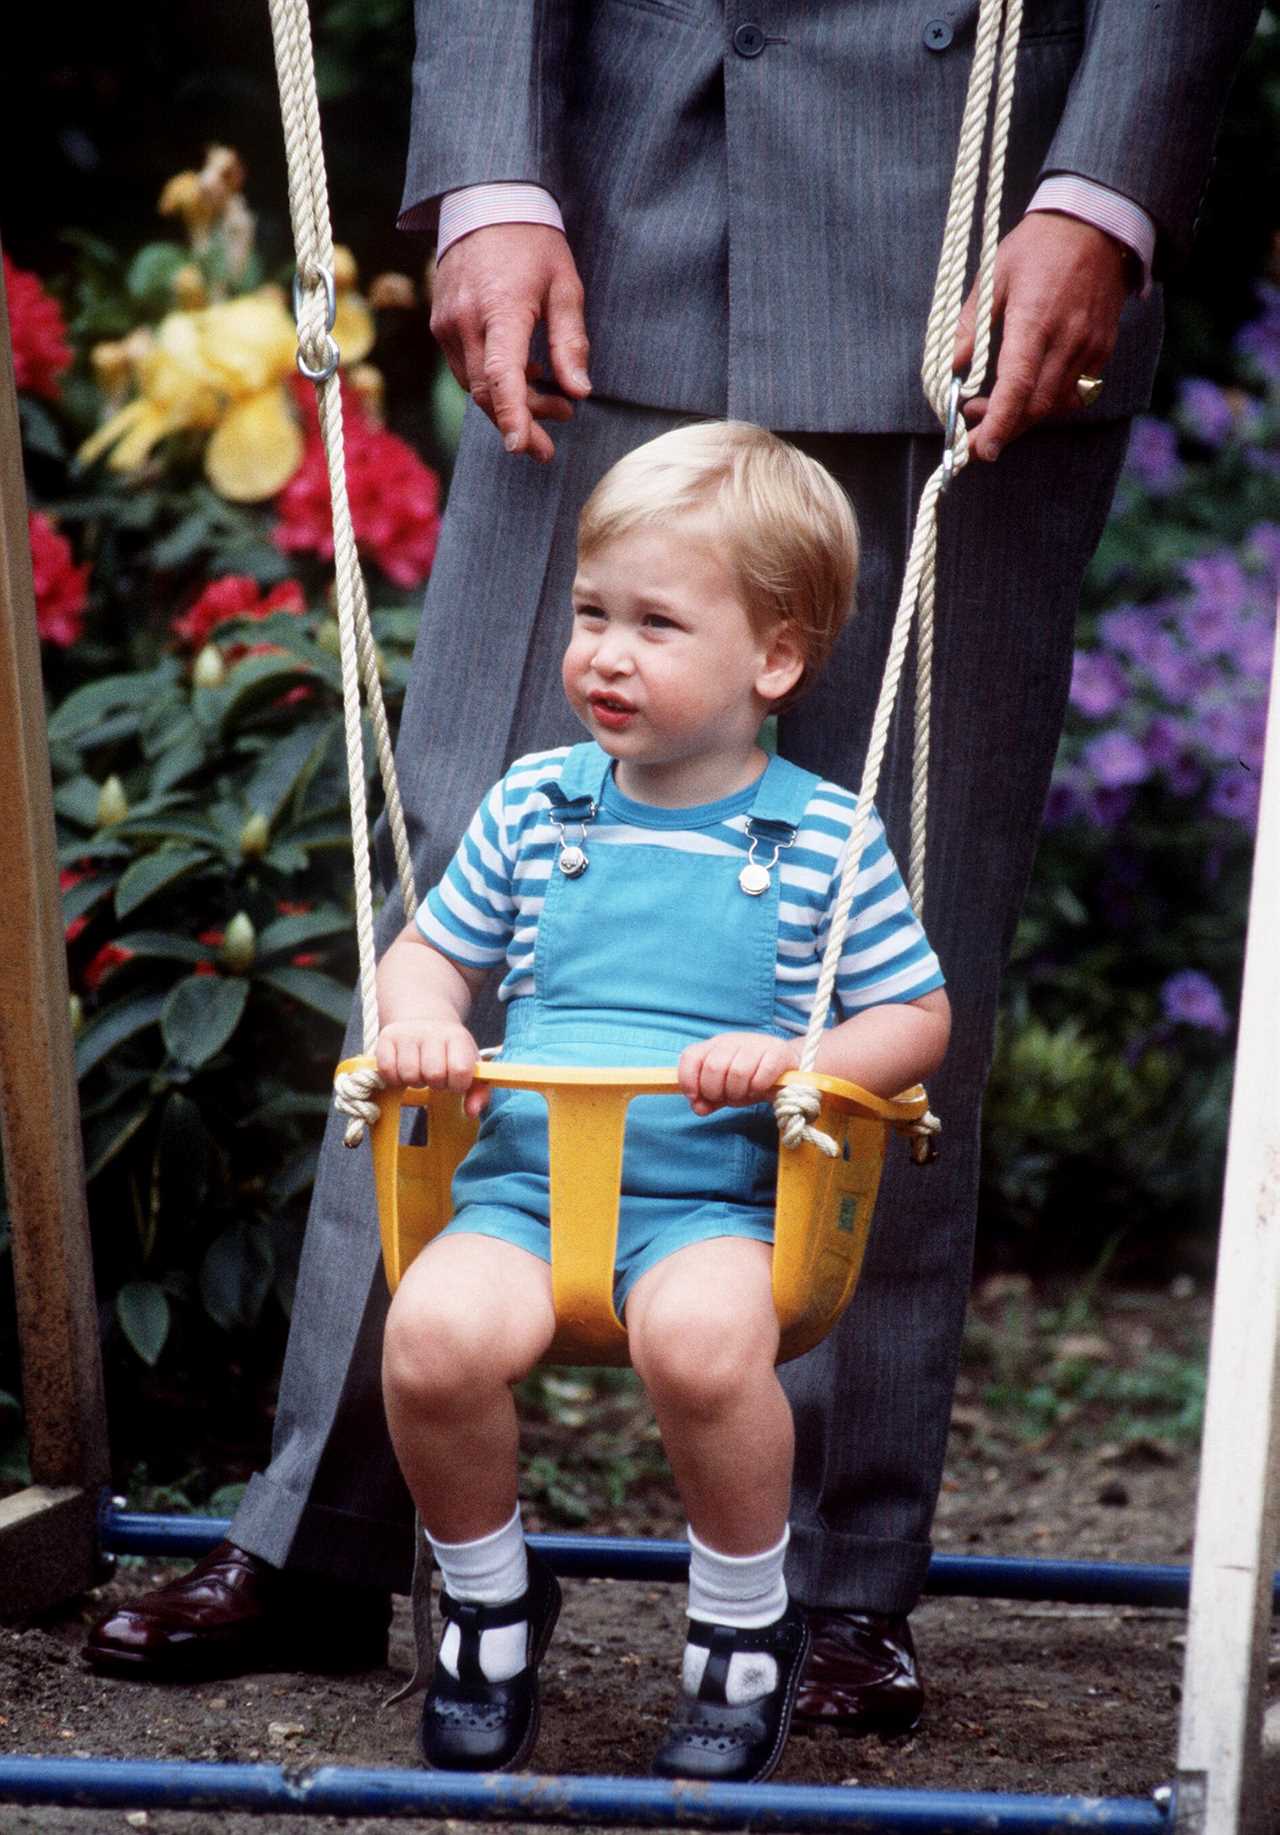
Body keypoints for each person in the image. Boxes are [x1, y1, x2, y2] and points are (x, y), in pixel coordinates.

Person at [86, 2, 1261, 1734]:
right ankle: (329, 1534)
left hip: (964, 224)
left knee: (891, 943)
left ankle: (841, 1586)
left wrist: (1099, 187)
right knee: (444, 898)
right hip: (615, 195)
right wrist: (489, 171)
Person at [376, 422, 949, 1779]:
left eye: (655, 624)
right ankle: (488, 1597)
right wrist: (421, 1021)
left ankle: (746, 1626)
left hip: (723, 1209)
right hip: (524, 1191)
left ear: (776, 659)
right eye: (591, 614)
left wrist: (804, 1066)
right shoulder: (534, 806)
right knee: (431, 1344)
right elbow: (427, 948)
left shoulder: (823, 835)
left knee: (701, 1352)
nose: (607, 654)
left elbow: (915, 1018)